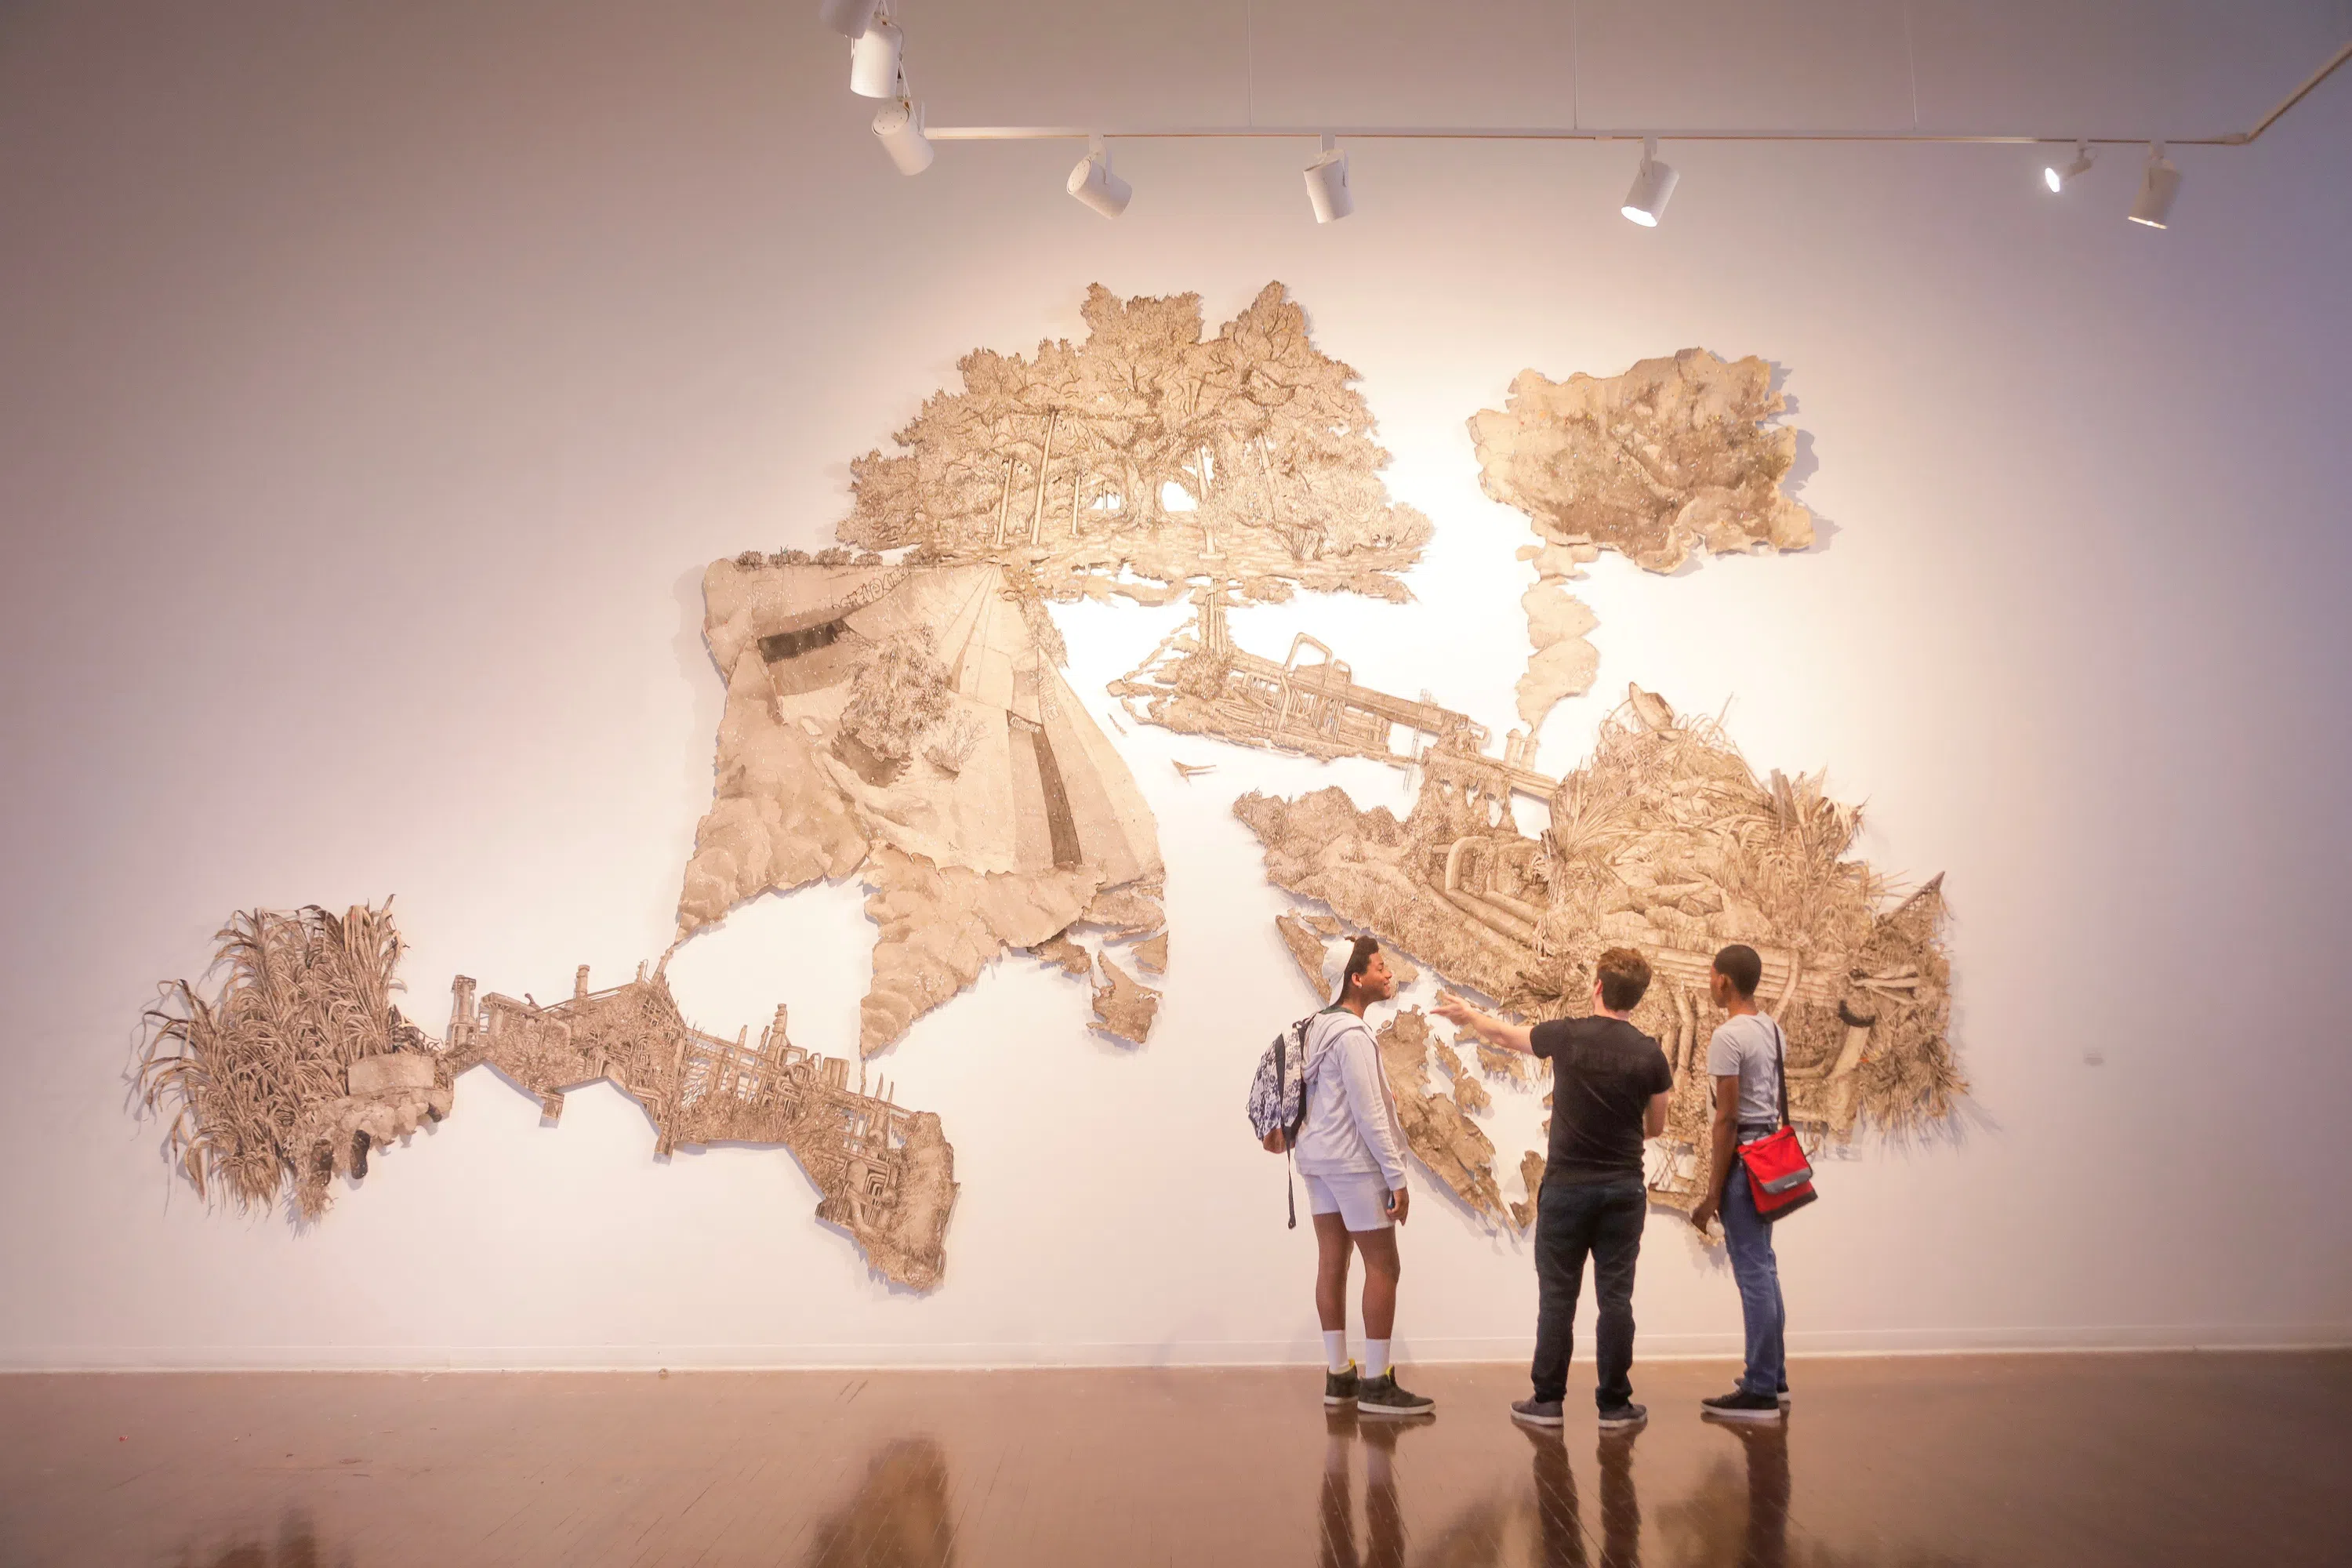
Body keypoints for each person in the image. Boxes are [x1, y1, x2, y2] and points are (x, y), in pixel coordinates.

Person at [1436, 947, 1672, 1431]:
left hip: (1567, 1188)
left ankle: (1547, 1402)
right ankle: (1614, 1405)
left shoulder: (1567, 1036)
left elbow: (1503, 1034)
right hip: (1623, 1191)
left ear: (1599, 987)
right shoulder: (1649, 1053)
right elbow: (1657, 1125)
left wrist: (1466, 1012)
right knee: (1616, 1298)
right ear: (1638, 997)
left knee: (1558, 1297)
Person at [1288, 937, 1434, 1417]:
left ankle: (1338, 1375)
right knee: (1383, 1266)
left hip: (1314, 1160)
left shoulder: (1315, 1029)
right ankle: (1376, 1383)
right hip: (1353, 1163)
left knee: (1332, 1259)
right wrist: (1396, 1177)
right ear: (1356, 978)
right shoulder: (1352, 1035)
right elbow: (1371, 1113)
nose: (1388, 972)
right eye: (1379, 966)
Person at [1690, 942, 1792, 1422]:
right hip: (1769, 1156)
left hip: (1743, 1161)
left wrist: (1712, 1192)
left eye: (1712, 975)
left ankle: (1759, 1390)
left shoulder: (1728, 1036)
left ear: (1724, 981)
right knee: (1765, 1266)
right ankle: (1773, 1375)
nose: (1709, 982)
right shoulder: (1772, 1030)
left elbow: (1727, 1118)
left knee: (1753, 1272)